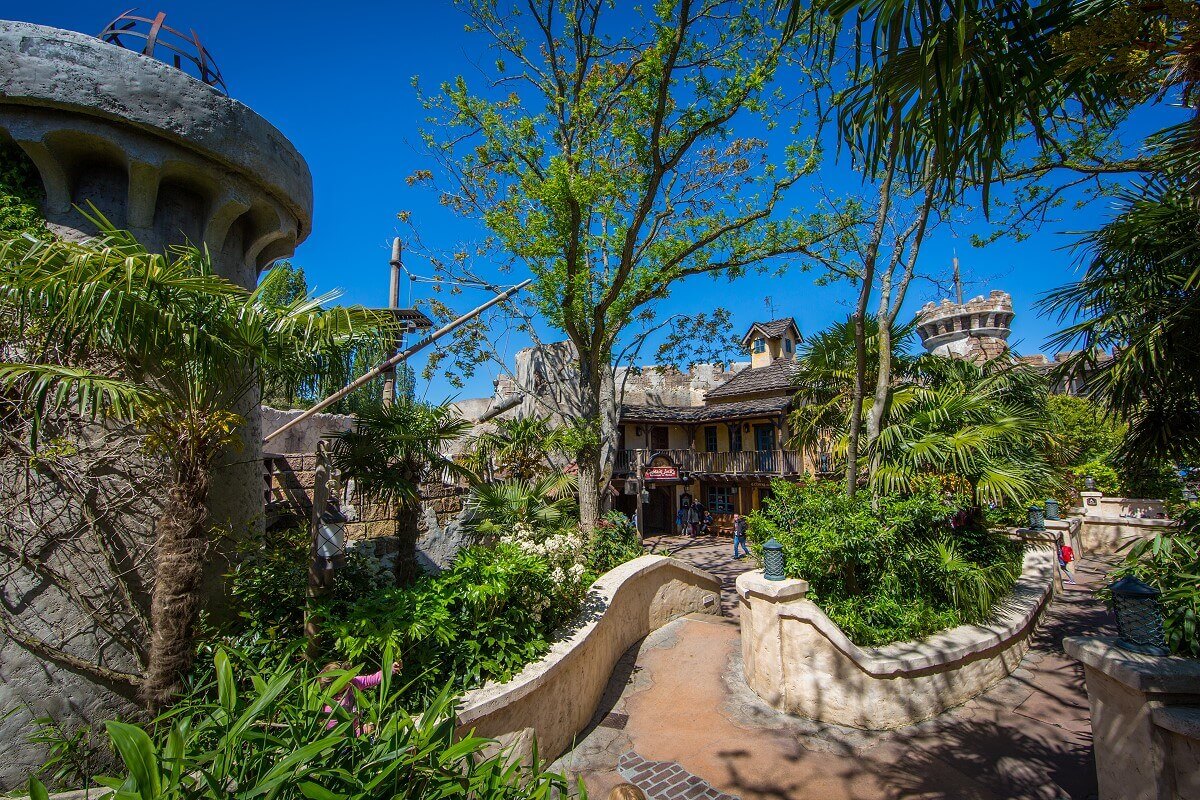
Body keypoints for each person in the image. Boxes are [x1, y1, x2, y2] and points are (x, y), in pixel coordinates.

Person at [319, 660, 401, 734]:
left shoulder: (353, 683)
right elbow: (338, 733)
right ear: (337, 684)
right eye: (347, 677)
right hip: (348, 742)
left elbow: (372, 679)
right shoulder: (331, 708)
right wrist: (363, 730)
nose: (351, 677)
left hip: (360, 726)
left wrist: (391, 669)